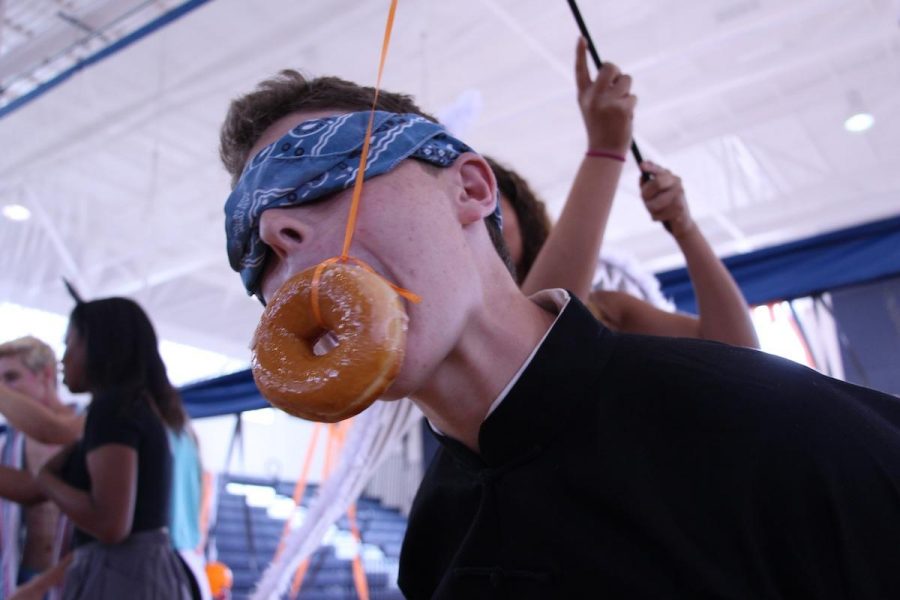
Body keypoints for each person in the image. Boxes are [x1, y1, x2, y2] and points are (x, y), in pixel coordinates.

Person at [219, 40, 900, 599]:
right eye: (247, 249)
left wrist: (629, 171)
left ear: (471, 188)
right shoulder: (432, 539)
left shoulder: (778, 434)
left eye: (323, 170)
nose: (276, 232)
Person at [489, 155, 760, 347]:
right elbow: (536, 340)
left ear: (524, 213)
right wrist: (605, 149)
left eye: (490, 203)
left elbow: (736, 350)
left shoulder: (608, 309)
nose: (479, 224)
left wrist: (685, 228)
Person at [31, 297, 192, 599]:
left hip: (120, 577)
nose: (63, 358)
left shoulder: (113, 410)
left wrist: (46, 478)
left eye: (70, 344)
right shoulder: (136, 407)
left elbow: (110, 524)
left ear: (98, 346)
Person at [0, 337, 75, 597]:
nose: (4, 391)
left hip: (71, 583)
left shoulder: (82, 429)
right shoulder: (7, 443)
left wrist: (42, 586)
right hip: (15, 578)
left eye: (11, 378)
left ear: (45, 375)